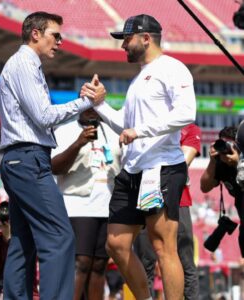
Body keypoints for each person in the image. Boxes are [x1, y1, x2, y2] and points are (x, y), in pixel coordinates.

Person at [81, 14, 196, 300]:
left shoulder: (173, 69)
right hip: (132, 171)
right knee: (115, 244)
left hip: (160, 169)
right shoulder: (138, 80)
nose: (123, 45)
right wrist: (99, 104)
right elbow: (124, 124)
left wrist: (140, 131)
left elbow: (186, 114)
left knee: (162, 247)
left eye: (127, 39)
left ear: (146, 38)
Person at [0, 11, 106, 300]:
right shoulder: (24, 63)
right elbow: (45, 116)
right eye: (55, 35)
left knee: (24, 241)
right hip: (28, 158)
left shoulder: (24, 64)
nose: (60, 41)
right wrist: (86, 102)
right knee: (60, 236)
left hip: (21, 158)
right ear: (35, 34)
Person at [51, 108, 122, 300]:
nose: (91, 111)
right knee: (81, 262)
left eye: (96, 106)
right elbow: (55, 167)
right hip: (77, 203)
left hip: (108, 204)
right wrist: (79, 143)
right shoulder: (65, 130)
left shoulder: (112, 131)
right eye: (87, 106)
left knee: (99, 264)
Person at [134, 123, 201, 300]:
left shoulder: (189, 127)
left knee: (186, 262)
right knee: (145, 262)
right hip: (145, 198)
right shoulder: (143, 124)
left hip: (178, 201)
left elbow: (181, 162)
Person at [200, 126, 244, 262]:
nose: (226, 149)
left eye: (230, 145)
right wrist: (213, 161)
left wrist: (238, 163)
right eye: (223, 144)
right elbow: (205, 187)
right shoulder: (221, 165)